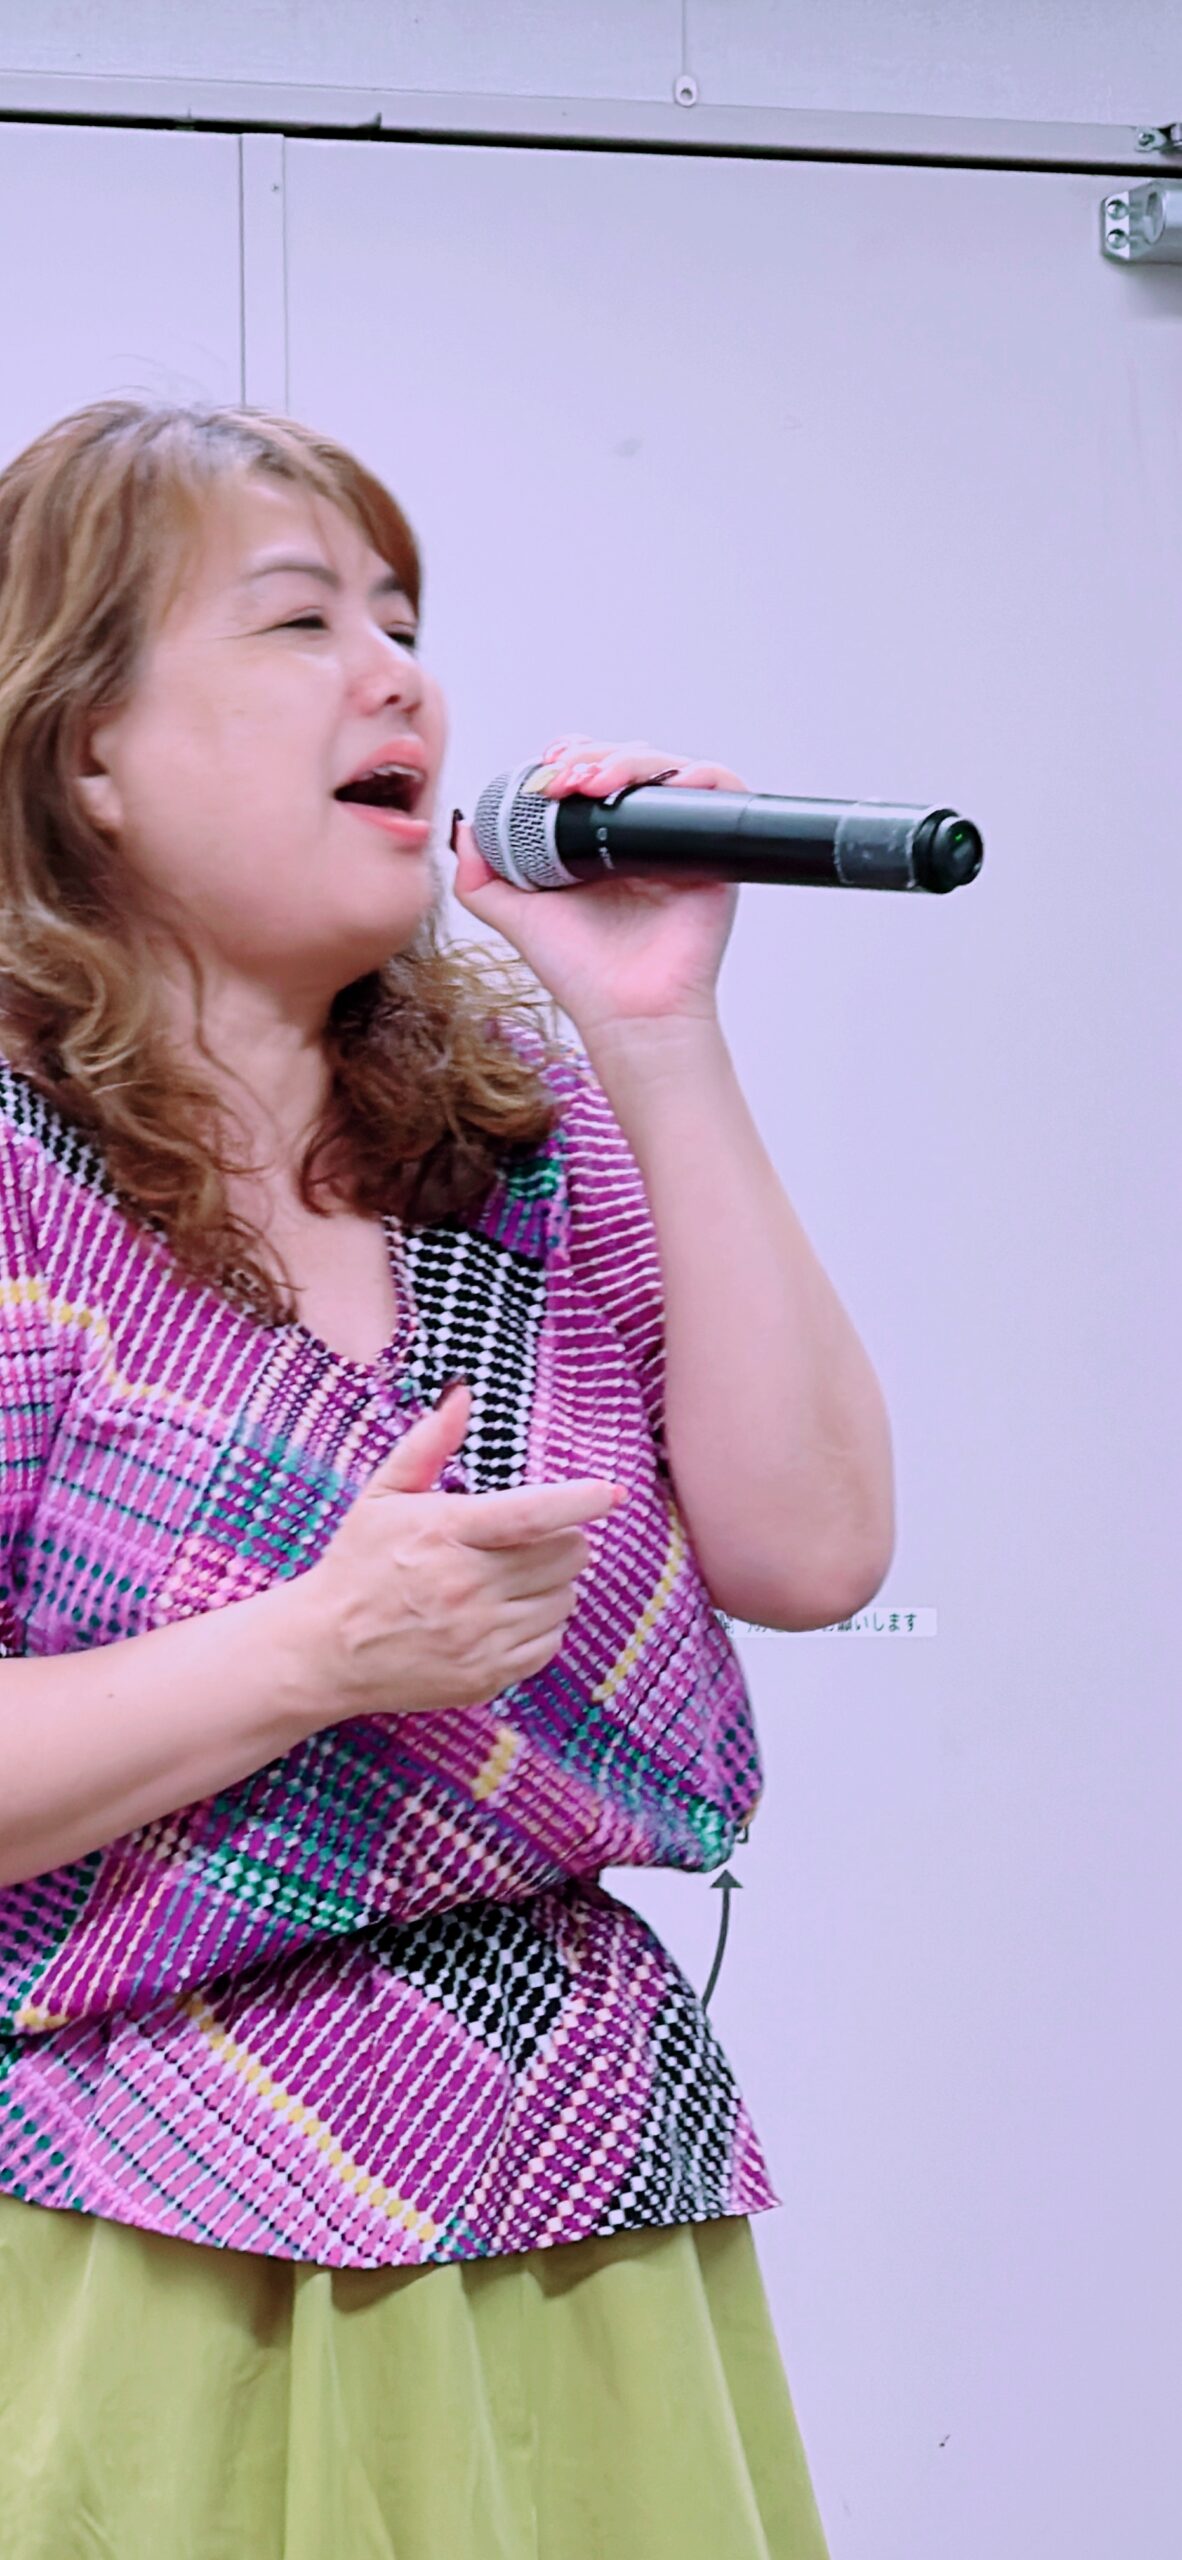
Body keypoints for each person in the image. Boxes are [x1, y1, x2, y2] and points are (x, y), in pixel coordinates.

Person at [0, 399, 894, 2558]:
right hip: (132, 2217)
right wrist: (313, 1651)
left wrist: (656, 1032)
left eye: (403, 622)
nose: (398, 676)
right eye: (299, 620)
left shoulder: (523, 1145)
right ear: (86, 748)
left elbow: (813, 1547)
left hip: (582, 2180)